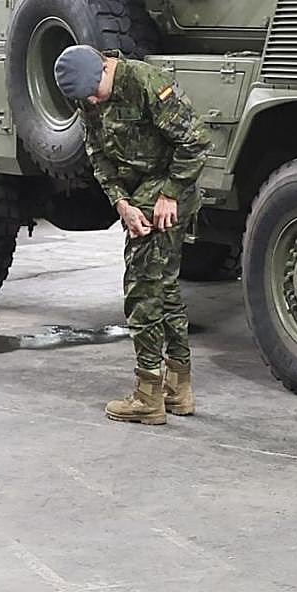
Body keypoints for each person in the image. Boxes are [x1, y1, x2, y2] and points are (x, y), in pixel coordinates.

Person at [53, 45, 212, 425]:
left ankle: (147, 396)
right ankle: (179, 389)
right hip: (137, 195)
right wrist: (121, 203)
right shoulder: (87, 97)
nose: (91, 101)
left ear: (105, 68)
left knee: (142, 290)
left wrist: (169, 193)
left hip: (170, 189)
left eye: (95, 91)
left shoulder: (145, 82)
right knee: (166, 289)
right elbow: (97, 154)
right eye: (84, 98)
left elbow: (195, 141)